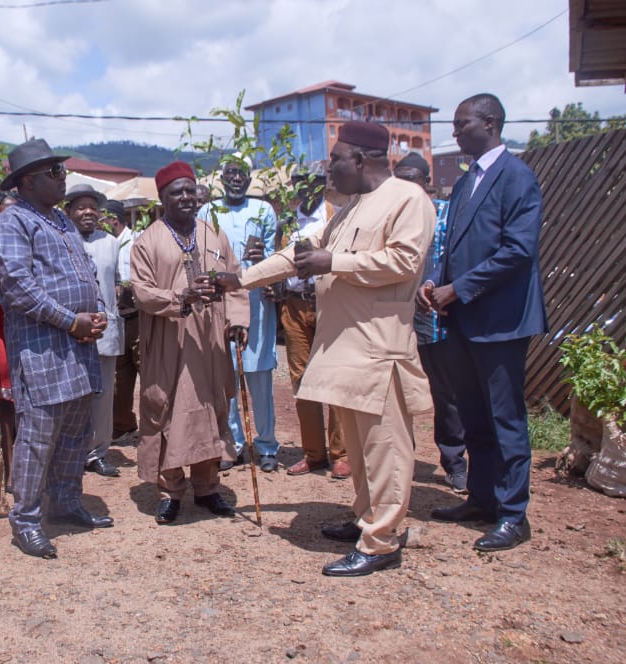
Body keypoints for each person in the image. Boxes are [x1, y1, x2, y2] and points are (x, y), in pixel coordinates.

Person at [217, 122, 434, 575]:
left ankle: (382, 543)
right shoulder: (348, 208)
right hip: (347, 348)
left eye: (335, 159)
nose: (329, 168)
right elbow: (299, 254)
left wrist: (334, 262)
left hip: (380, 348)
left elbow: (404, 261)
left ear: (362, 158)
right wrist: (240, 279)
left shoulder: (409, 200)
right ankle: (366, 520)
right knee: (358, 450)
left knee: (385, 449)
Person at [422, 94, 548, 552]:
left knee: (505, 419)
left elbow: (518, 251)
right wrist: (436, 280)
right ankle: (481, 498)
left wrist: (460, 288)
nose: (454, 133)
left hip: (501, 322)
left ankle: (514, 514)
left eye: (461, 124)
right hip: (461, 319)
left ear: (490, 123)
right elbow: (450, 246)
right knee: (473, 414)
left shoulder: (517, 177)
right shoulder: (463, 183)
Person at [0, 138, 113, 559]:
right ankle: (25, 518)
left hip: (79, 346)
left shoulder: (61, 220)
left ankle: (65, 501)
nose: (63, 179)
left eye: (62, 171)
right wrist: (70, 320)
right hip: (42, 348)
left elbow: (86, 272)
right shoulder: (12, 222)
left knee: (76, 432)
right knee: (39, 436)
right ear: (26, 181)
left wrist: (94, 316)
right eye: (55, 173)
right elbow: (19, 288)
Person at [131, 160, 250, 525]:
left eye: (189, 190)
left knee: (211, 407)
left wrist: (238, 320)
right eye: (175, 192)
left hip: (210, 340)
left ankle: (208, 487)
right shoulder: (146, 241)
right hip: (170, 337)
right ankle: (170, 491)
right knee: (166, 409)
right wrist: (180, 296)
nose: (185, 197)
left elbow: (236, 280)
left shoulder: (212, 234)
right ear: (162, 198)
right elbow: (142, 293)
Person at [199, 158, 280, 472]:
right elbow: (202, 253)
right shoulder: (208, 212)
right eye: (230, 172)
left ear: (249, 178)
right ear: (221, 178)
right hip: (221, 302)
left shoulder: (263, 211)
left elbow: (276, 258)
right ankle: (231, 444)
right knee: (226, 377)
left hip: (256, 301)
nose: (236, 178)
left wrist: (264, 257)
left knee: (259, 374)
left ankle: (267, 445)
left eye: (241, 173)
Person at [394, 152, 467, 494]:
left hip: (438, 318)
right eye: (399, 179)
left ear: (426, 182)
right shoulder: (391, 215)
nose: (405, 186)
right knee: (397, 394)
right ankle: (397, 462)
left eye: (412, 179)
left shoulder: (448, 215)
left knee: (447, 393)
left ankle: (454, 461)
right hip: (397, 319)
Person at [275, 162, 349, 479]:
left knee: (334, 378)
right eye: (300, 182)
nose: (307, 188)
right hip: (293, 307)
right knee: (302, 381)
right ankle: (313, 453)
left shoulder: (338, 217)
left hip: (327, 305)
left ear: (324, 184)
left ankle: (341, 453)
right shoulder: (287, 222)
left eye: (314, 182)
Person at [65, 184, 125, 477]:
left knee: (103, 395)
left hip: (105, 330)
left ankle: (98, 453)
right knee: (73, 394)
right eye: (80, 207)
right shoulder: (61, 241)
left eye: (92, 207)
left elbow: (119, 281)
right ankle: (71, 453)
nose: (88, 212)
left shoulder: (111, 243)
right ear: (69, 212)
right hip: (71, 330)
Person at [106, 199, 141, 441]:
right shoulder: (104, 245)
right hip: (116, 319)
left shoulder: (136, 241)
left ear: (114, 219)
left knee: (147, 370)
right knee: (120, 377)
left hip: (138, 318)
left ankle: (155, 427)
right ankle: (123, 423)